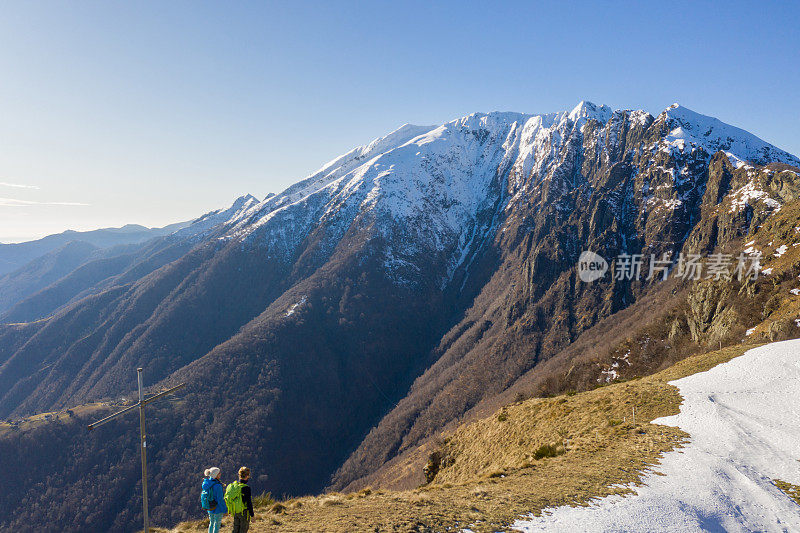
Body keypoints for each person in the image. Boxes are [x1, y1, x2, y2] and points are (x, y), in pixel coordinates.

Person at [228, 466, 255, 533]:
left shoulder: (234, 485)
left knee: (235, 530)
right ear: (247, 476)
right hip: (244, 512)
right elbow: (249, 502)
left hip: (236, 511)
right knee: (243, 530)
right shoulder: (246, 488)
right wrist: (252, 515)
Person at [202, 467, 227, 533]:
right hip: (217, 508)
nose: (220, 474)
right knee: (217, 524)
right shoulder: (217, 486)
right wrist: (225, 510)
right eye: (219, 473)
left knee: (211, 523)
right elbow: (220, 500)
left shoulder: (206, 483)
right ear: (215, 475)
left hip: (209, 507)